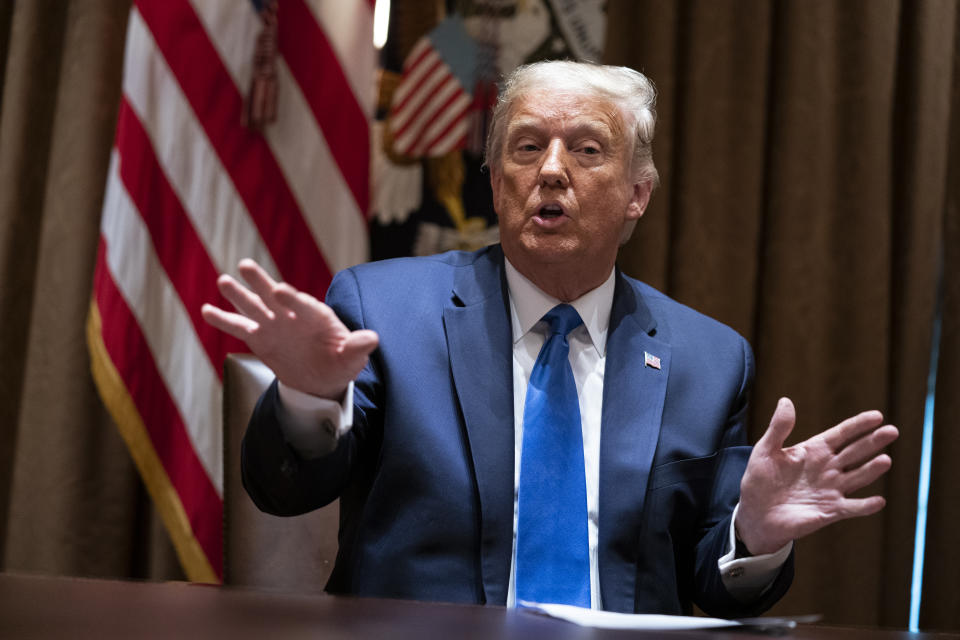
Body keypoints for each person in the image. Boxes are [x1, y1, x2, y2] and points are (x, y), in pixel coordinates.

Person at [201, 61, 898, 616]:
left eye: (588, 149)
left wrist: (755, 538)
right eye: (527, 147)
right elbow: (284, 491)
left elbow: (712, 586)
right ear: (499, 185)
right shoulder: (384, 308)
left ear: (637, 193)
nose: (552, 169)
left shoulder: (709, 360)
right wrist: (308, 399)